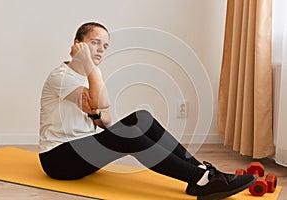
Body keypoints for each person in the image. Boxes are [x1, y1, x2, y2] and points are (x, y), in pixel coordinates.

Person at [38, 22, 256, 200]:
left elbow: (106, 117)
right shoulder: (62, 76)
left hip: (81, 154)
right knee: (129, 136)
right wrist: (89, 67)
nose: (101, 50)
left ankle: (203, 173)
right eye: (94, 43)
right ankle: (201, 179)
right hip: (58, 160)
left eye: (105, 46)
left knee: (141, 118)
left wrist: (95, 114)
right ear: (78, 44)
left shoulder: (90, 75)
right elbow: (101, 100)